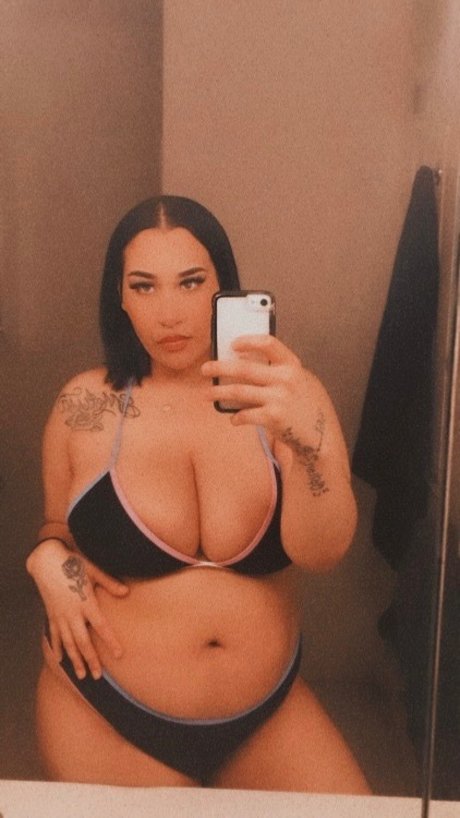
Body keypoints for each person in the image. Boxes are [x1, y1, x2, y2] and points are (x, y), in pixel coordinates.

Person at [26, 195, 370, 792]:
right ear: (119, 297)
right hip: (103, 712)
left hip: (266, 718)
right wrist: (45, 559)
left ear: (222, 288)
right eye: (144, 286)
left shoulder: (285, 396)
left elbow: (322, 552)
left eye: (190, 282)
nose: (169, 313)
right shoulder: (84, 406)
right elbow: (57, 529)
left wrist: (309, 444)